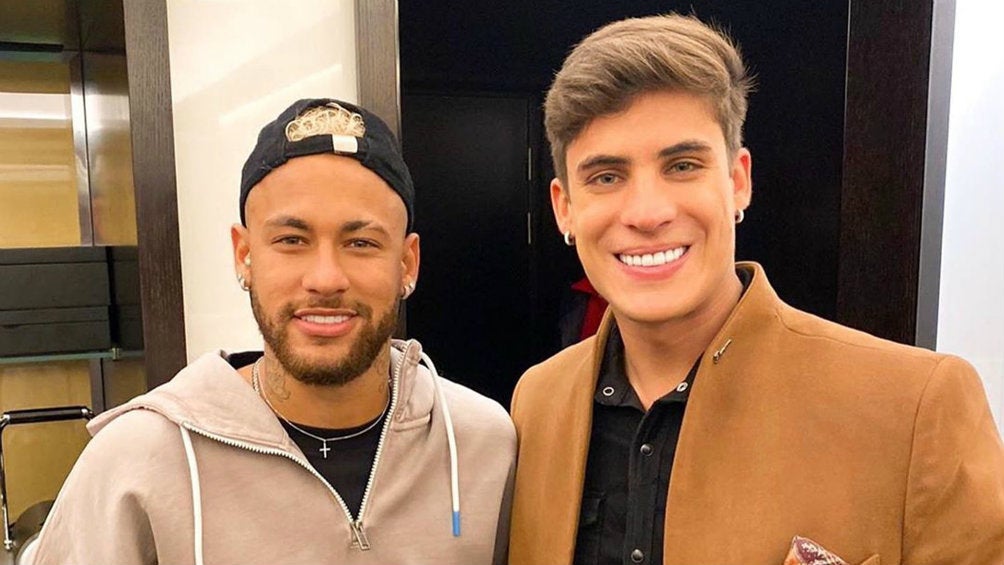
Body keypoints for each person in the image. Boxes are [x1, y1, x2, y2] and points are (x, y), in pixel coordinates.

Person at [508, 14, 1004, 565]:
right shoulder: (538, 403)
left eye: (682, 166)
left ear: (738, 181)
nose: (647, 213)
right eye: (607, 177)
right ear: (564, 208)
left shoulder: (914, 407)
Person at [34, 98, 516, 565]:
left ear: (407, 263)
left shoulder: (484, 445)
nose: (325, 279)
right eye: (291, 240)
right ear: (244, 255)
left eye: (361, 243)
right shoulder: (138, 459)